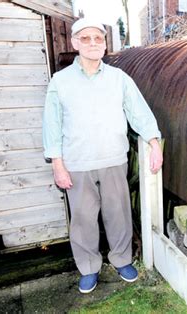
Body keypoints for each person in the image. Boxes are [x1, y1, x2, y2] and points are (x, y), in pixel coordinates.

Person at [42, 18, 163, 294]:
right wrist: (57, 165)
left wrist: (154, 142)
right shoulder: (60, 82)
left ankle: (121, 260)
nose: (93, 43)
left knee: (118, 214)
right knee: (83, 219)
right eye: (86, 38)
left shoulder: (119, 79)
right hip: (77, 164)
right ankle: (88, 268)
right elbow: (52, 126)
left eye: (98, 38)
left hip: (113, 160)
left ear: (105, 44)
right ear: (75, 43)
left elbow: (138, 113)